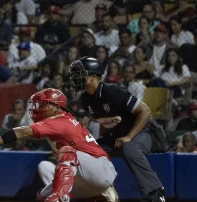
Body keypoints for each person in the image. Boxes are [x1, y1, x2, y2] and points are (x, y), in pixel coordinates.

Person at [0, 88, 118, 202]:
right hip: (87, 174)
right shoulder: (62, 120)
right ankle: (99, 196)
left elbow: (22, 132)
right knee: (42, 197)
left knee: (66, 151)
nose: (39, 108)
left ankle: (60, 197)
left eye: (44, 104)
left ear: (57, 106)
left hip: (100, 169)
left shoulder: (59, 120)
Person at [70, 57, 167, 202]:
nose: (76, 78)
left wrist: (128, 137)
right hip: (118, 136)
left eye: (80, 74)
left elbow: (145, 111)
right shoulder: (86, 99)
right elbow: (105, 121)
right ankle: (97, 192)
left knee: (128, 146)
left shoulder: (113, 90)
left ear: (93, 76)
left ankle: (156, 193)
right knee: (88, 150)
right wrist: (100, 145)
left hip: (145, 133)